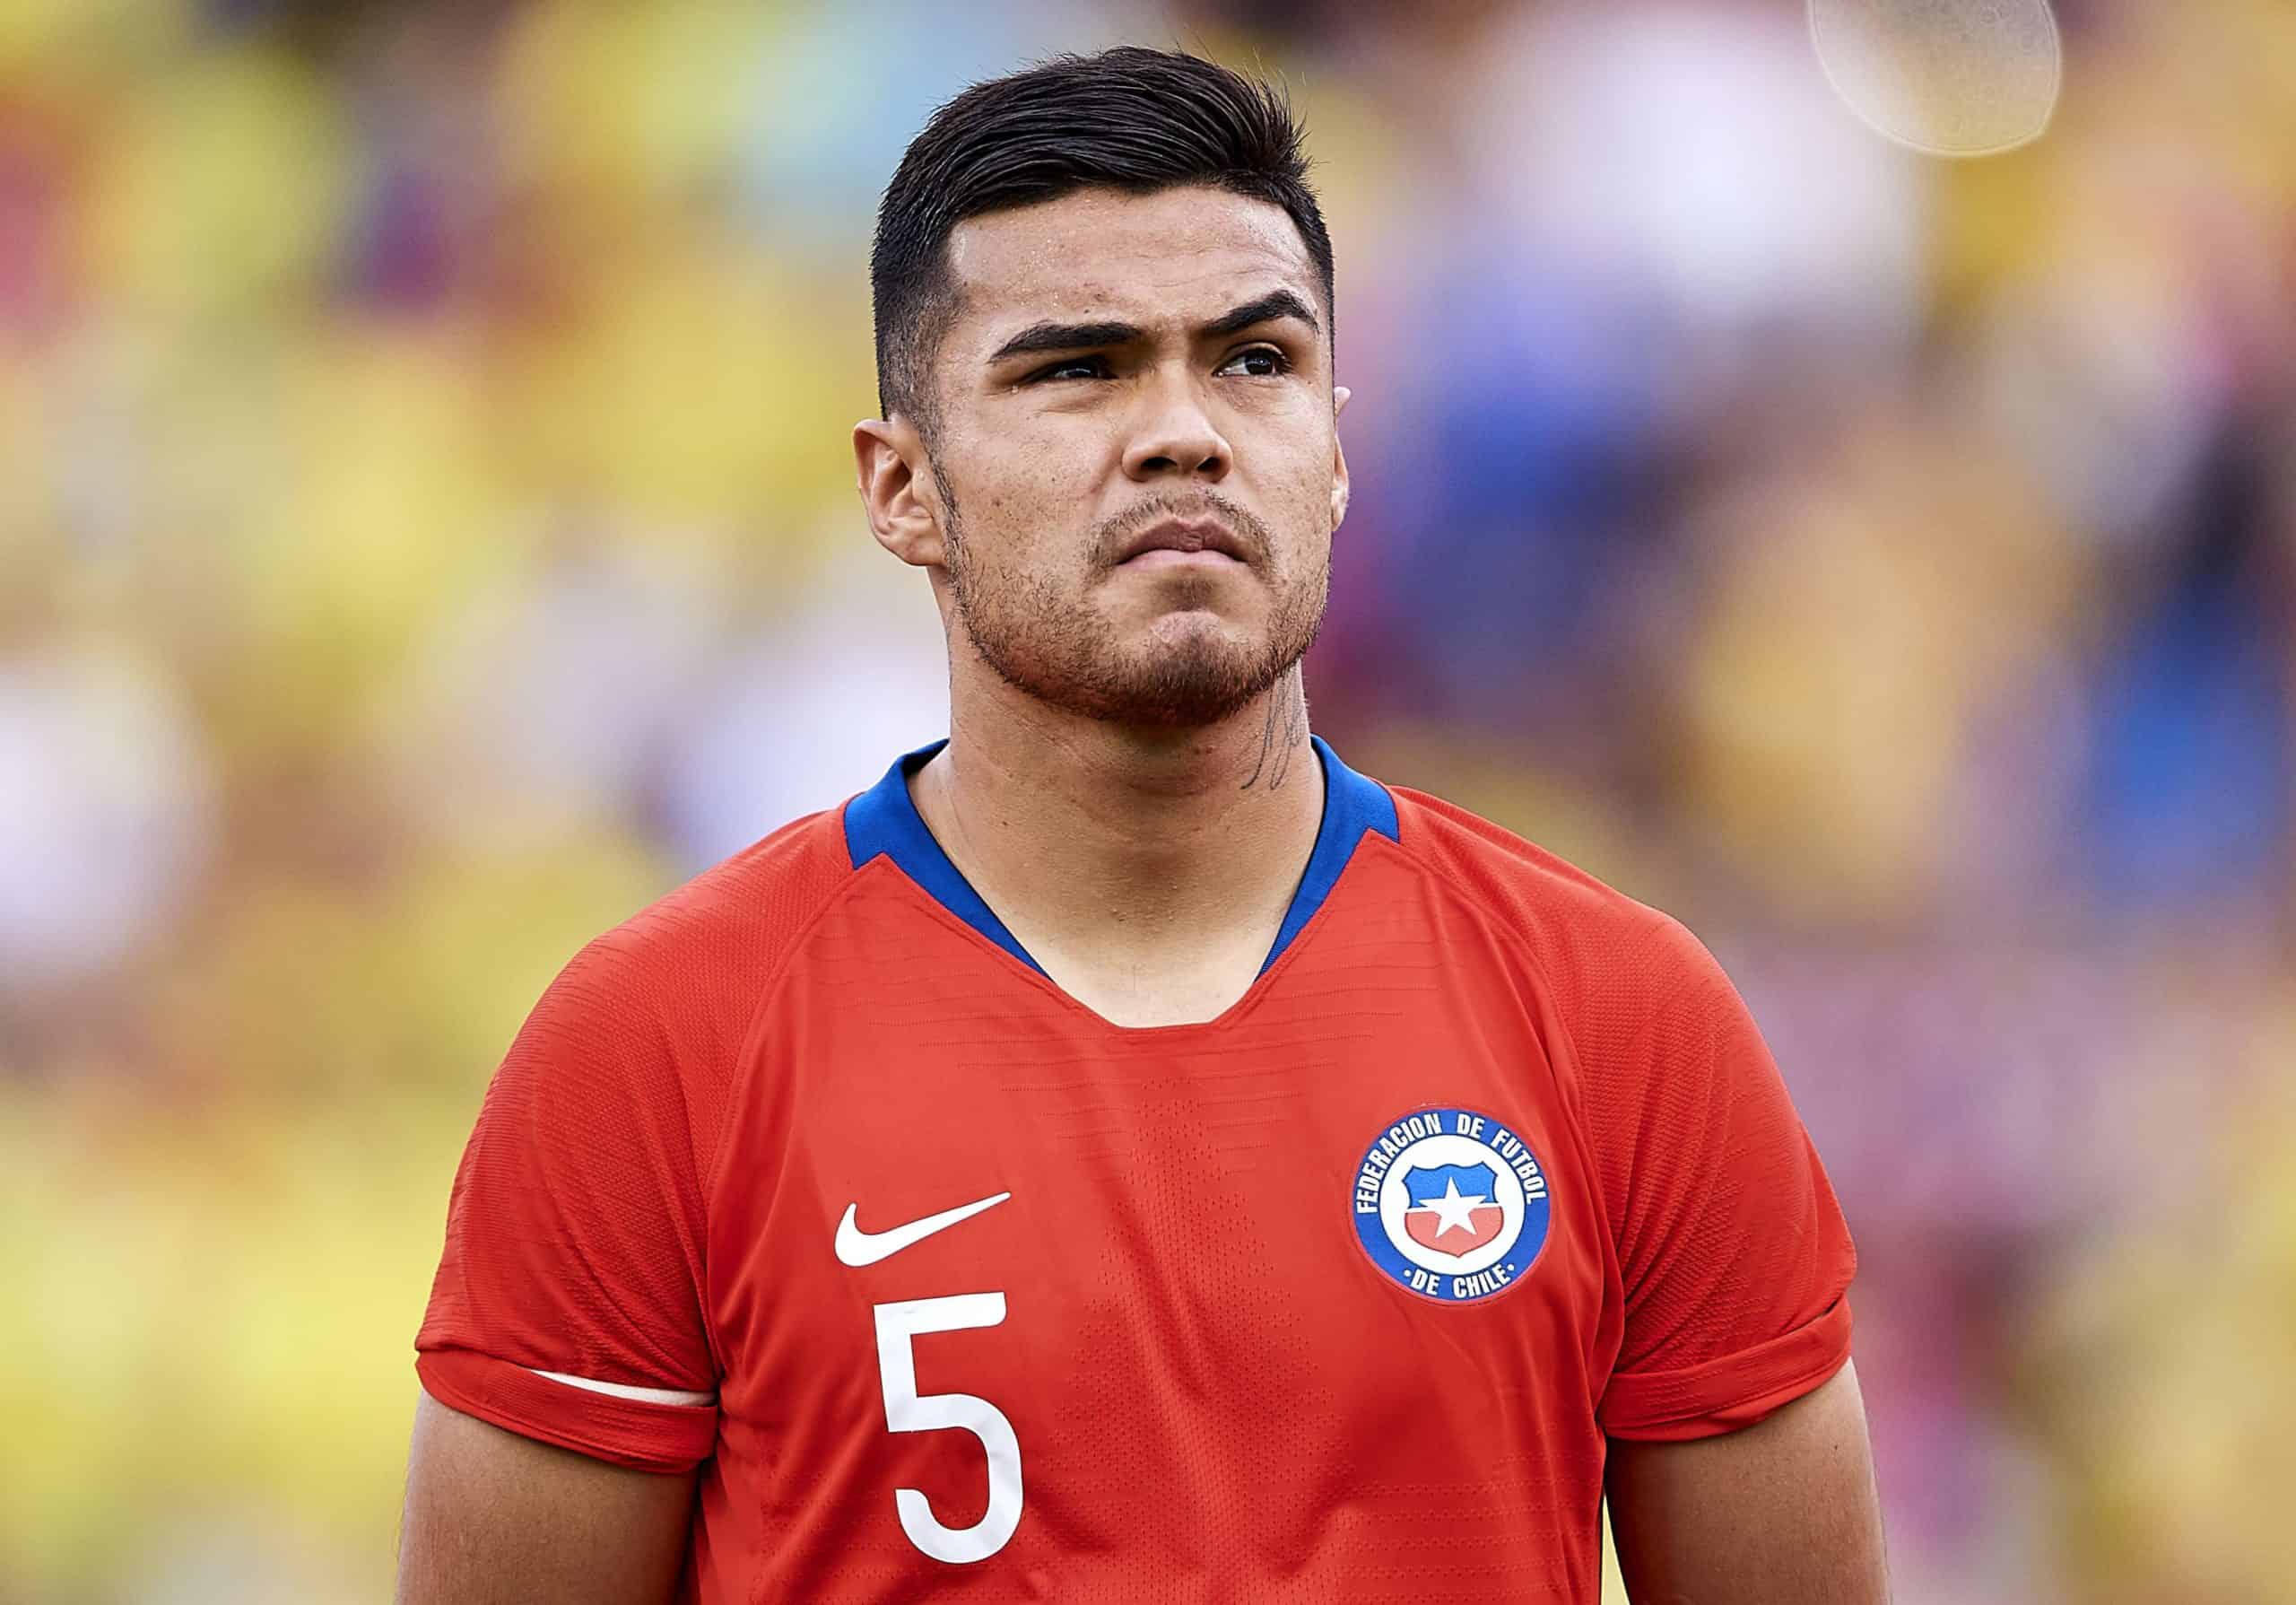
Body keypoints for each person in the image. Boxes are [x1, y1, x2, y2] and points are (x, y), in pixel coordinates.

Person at [396, 47, 1888, 1604]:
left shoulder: (1617, 1020)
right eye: (1078, 368)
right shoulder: (657, 1052)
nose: (1185, 430)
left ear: (1335, 455)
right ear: (902, 488)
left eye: (1254, 360)